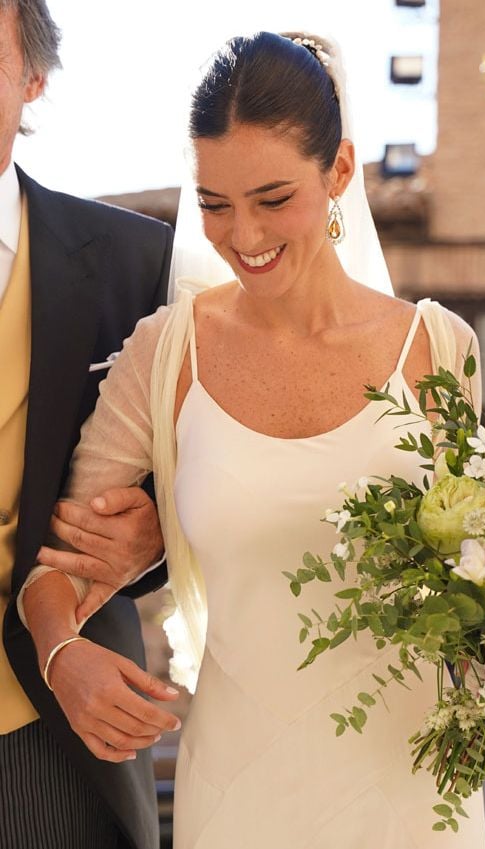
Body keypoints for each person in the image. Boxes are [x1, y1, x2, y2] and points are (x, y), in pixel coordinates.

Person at [20, 31, 485, 848]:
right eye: (214, 203)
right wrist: (64, 653)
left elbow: (479, 573)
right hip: (240, 792)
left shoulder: (441, 350)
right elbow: (57, 573)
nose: (242, 235)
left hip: (417, 791)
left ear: (340, 170)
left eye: (273, 199)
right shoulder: (165, 356)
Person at [0, 2, 181, 848]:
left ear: (34, 78)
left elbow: (216, 475)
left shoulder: (135, 263)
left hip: (59, 723)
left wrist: (159, 524)